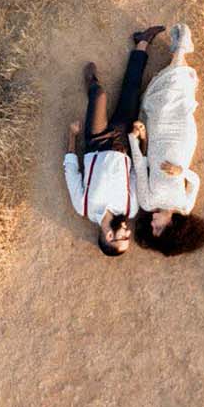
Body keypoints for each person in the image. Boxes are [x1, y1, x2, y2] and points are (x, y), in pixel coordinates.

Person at [63, 27, 161, 256]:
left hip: (95, 142)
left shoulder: (83, 207)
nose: (127, 232)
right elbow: (138, 172)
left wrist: (72, 136)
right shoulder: (131, 208)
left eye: (122, 237)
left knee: (99, 95)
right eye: (128, 237)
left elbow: (71, 173)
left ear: (108, 236)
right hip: (124, 143)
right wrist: (141, 139)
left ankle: (91, 83)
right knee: (132, 92)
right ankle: (142, 42)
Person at [130, 22, 204, 256]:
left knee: (161, 100)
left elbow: (140, 165)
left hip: (158, 137)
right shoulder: (185, 206)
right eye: (158, 229)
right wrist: (181, 171)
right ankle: (181, 51)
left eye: (151, 229)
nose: (152, 224)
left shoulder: (146, 203)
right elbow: (195, 181)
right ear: (172, 227)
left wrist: (135, 140)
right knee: (179, 102)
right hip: (182, 141)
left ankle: (181, 54)